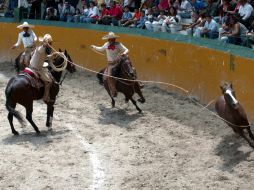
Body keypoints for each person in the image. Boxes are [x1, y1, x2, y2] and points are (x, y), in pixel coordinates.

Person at [90, 32, 129, 97]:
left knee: (129, 69)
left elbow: (126, 49)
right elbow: (101, 49)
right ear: (108, 39)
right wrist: (94, 47)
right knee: (109, 76)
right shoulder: (106, 44)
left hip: (119, 62)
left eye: (113, 39)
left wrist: (124, 53)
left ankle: (138, 83)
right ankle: (113, 90)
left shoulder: (119, 44)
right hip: (111, 64)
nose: (112, 40)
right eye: (110, 39)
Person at [29, 34, 56, 103]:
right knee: (49, 81)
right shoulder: (41, 48)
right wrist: (45, 45)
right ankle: (45, 98)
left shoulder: (42, 49)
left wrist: (53, 55)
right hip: (36, 69)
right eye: (50, 43)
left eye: (50, 43)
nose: (50, 44)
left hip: (32, 66)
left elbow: (45, 56)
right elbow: (41, 51)